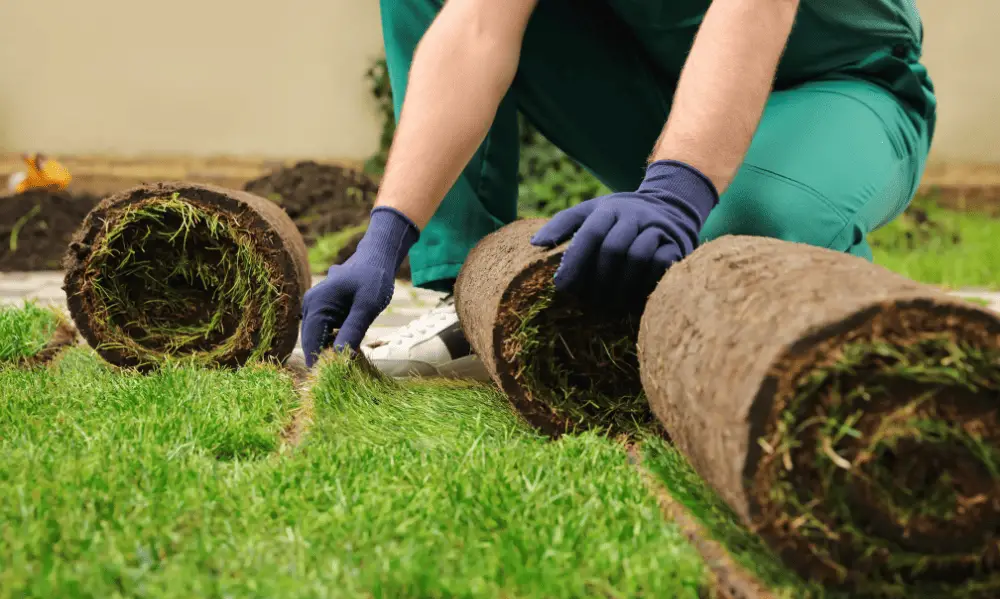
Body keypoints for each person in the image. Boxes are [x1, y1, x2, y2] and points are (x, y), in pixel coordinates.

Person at [301, 0, 935, 375]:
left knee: (746, 231)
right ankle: (462, 295)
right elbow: (475, 28)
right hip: (660, 90)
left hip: (840, 86)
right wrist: (386, 238)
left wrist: (674, 192)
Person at [6, 153, 72, 194]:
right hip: (30, 184)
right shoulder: (39, 165)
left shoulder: (51, 172)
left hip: (34, 186)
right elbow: (31, 161)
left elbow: (62, 180)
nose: (40, 164)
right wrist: (26, 157)